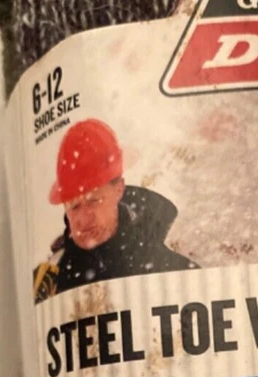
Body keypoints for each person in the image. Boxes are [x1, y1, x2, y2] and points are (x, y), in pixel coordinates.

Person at [34, 119, 198, 302]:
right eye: (74, 207)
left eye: (94, 201)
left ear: (119, 189)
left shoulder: (175, 272)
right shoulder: (46, 283)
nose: (84, 219)